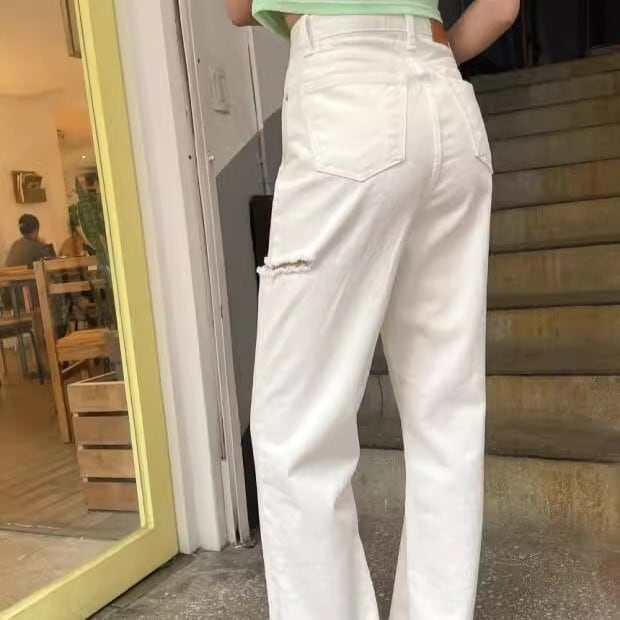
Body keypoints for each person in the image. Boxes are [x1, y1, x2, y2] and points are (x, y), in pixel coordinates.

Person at [226, 1, 520, 619]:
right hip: (449, 106)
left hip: (347, 94)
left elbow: (238, 9)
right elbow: (500, 7)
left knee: (297, 427)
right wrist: (425, 55)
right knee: (446, 411)